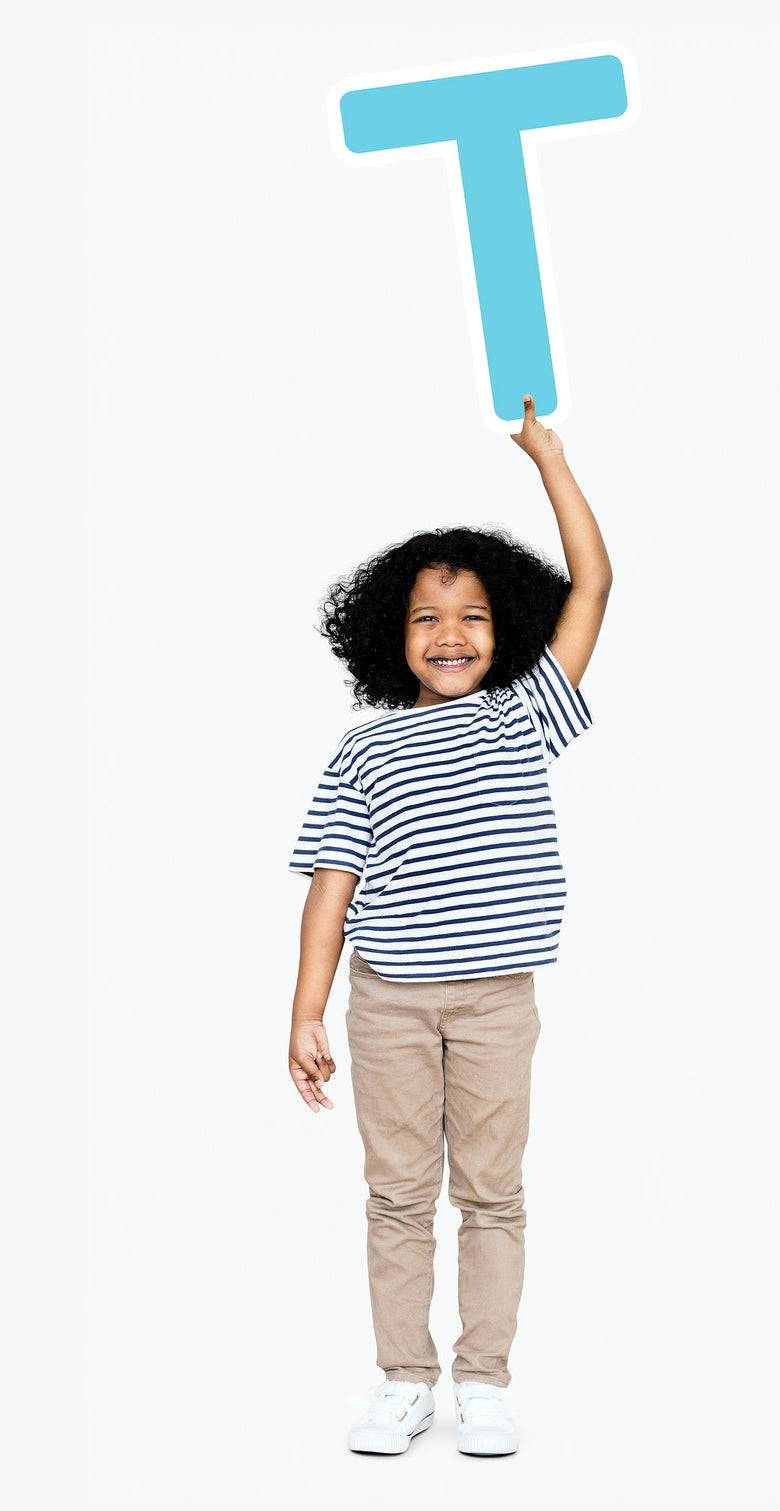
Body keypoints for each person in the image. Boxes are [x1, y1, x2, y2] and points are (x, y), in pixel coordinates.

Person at [287, 395, 612, 1456]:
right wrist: (306, 1009)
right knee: (396, 1192)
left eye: (472, 614)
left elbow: (597, 586)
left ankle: (483, 1376)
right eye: (427, 617)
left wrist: (549, 460)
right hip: (385, 998)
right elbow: (332, 883)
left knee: (490, 1189)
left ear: (503, 625)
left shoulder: (523, 713)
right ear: (394, 633)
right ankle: (402, 1378)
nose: (451, 634)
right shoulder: (365, 750)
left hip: (497, 1000)